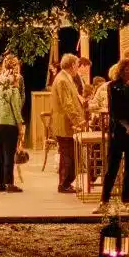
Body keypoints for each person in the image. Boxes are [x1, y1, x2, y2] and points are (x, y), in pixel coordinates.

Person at [97, 57, 129, 213]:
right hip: (119, 131)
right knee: (112, 167)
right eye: (127, 69)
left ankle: (126, 200)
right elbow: (114, 110)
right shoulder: (113, 86)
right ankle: (104, 201)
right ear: (121, 70)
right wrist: (125, 125)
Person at [47, 54, 86, 194]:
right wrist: (78, 121)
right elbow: (67, 104)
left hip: (68, 124)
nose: (78, 67)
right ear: (71, 65)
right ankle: (64, 184)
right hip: (65, 124)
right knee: (68, 155)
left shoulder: (65, 78)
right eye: (76, 64)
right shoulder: (63, 80)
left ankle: (66, 183)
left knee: (70, 154)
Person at [0, 55, 26, 192]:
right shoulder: (14, 90)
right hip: (8, 123)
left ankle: (0, 185)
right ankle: (9, 183)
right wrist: (20, 126)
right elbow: (16, 109)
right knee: (9, 153)